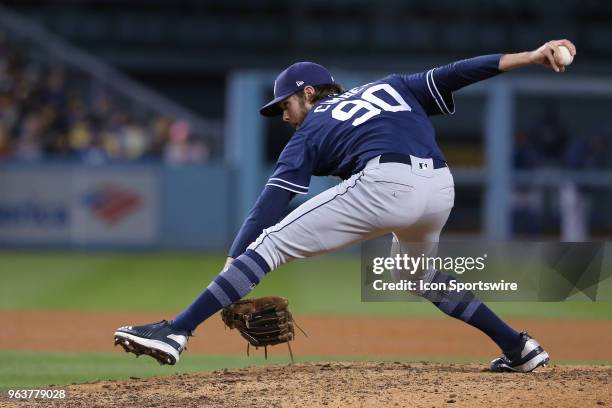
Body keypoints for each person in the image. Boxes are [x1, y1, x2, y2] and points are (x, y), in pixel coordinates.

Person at [114, 39, 576, 372]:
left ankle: (178, 329)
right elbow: (459, 71)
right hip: (439, 187)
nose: (285, 115)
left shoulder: (312, 128)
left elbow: (271, 201)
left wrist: (236, 259)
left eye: (286, 105)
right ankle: (518, 348)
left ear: (309, 92)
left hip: (386, 183)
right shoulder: (390, 86)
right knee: (414, 273)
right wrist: (532, 55)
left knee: (269, 243)